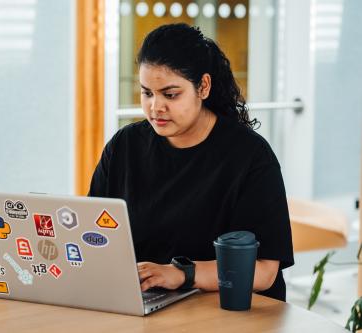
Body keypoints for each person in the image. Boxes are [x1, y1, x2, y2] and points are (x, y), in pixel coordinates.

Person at [88, 23, 294, 301]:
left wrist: (182, 273)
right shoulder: (124, 147)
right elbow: (92, 235)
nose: (155, 107)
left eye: (171, 95)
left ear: (203, 87)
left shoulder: (250, 157)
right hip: (149, 304)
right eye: (147, 92)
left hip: (226, 312)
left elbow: (264, 271)